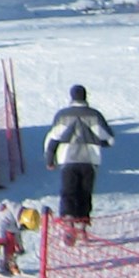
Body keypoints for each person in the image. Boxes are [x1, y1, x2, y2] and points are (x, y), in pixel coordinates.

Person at [44, 84, 115, 227]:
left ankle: (68, 222)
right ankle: (82, 225)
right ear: (85, 96)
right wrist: (99, 142)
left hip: (67, 159)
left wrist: (50, 159)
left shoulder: (62, 116)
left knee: (68, 192)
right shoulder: (95, 115)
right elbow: (109, 139)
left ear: (71, 97)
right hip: (90, 160)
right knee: (85, 192)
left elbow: (53, 139)